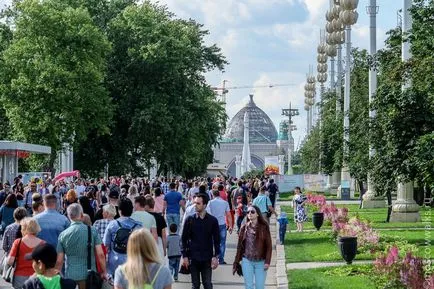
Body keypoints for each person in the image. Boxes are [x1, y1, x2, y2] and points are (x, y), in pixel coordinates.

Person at [56, 204, 107, 289]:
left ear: (69, 216)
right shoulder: (92, 230)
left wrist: (57, 275)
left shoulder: (63, 235)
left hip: (70, 276)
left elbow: (59, 261)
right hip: (88, 277)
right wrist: (104, 271)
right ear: (82, 215)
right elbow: (100, 254)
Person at [181, 194, 220, 289]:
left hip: (207, 258)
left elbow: (217, 240)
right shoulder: (189, 220)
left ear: (205, 205)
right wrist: (184, 256)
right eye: (194, 203)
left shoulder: (212, 221)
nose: (195, 205)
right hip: (193, 258)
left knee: (207, 284)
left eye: (198, 203)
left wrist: (216, 256)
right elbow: (183, 239)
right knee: (195, 285)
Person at [233, 205, 272, 289]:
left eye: (252, 212)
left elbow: (269, 246)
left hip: (261, 261)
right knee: (248, 286)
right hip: (247, 260)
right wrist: (236, 262)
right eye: (248, 212)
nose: (249, 213)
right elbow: (239, 246)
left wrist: (267, 261)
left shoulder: (264, 227)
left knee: (260, 286)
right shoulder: (244, 227)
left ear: (257, 214)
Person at [104, 198, 142, 276]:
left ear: (119, 210)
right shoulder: (138, 226)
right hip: (133, 261)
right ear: (131, 210)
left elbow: (106, 246)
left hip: (115, 261)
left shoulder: (112, 224)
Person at [8, 217, 46, 289]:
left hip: (19, 277)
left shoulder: (18, 242)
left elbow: (10, 261)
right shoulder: (43, 243)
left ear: (24, 228)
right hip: (37, 277)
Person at [207, 189, 232, 265]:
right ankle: (221, 259)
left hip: (212, 224)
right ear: (219, 194)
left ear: (212, 195)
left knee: (211, 241)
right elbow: (228, 215)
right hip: (222, 224)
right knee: (222, 242)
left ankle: (212, 257)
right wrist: (230, 225)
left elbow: (207, 213)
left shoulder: (210, 203)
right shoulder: (225, 203)